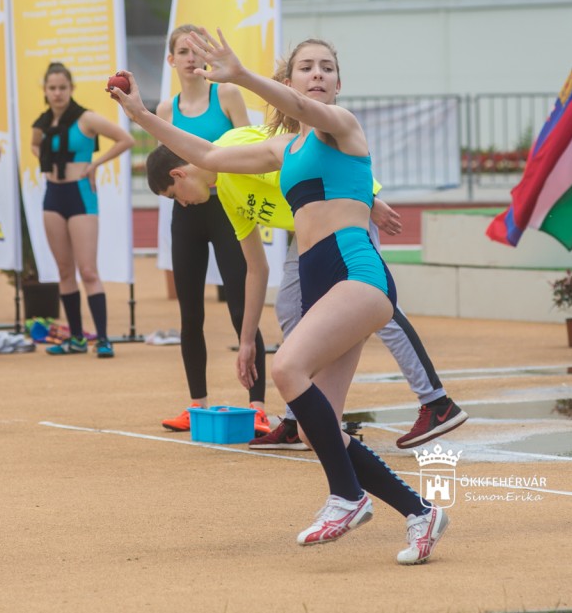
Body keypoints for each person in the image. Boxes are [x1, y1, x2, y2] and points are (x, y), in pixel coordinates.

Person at [109, 30, 449, 565]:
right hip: (319, 280)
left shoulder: (343, 126)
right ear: (290, 78)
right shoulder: (283, 149)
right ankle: (420, 512)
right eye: (307, 67)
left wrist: (242, 76)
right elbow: (206, 153)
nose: (318, 75)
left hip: (356, 271)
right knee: (318, 429)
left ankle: (347, 496)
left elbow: (300, 109)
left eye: (327, 68)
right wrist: (141, 116)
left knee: (288, 369)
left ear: (337, 84)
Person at [147, 131, 467, 451]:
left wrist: (368, 199)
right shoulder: (227, 194)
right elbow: (256, 268)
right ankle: (297, 418)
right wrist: (246, 341)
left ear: (179, 174)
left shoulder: (235, 151)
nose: (183, 204)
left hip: (346, 208)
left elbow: (309, 155)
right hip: (310, 230)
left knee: (377, 303)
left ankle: (436, 402)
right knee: (289, 306)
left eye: (175, 196)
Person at [153, 25, 270, 434]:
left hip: (228, 208)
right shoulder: (166, 110)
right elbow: (164, 166)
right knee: (190, 314)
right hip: (186, 213)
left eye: (196, 51)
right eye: (182, 52)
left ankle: (257, 407)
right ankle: (195, 404)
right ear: (171, 60)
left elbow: (254, 145)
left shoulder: (228, 96)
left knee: (241, 307)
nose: (190, 58)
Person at [30, 62, 134, 358]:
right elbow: (34, 145)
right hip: (53, 195)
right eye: (52, 88)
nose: (57, 93)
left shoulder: (86, 118)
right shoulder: (42, 122)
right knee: (64, 270)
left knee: (87, 270)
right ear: (45, 90)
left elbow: (125, 139)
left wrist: (94, 164)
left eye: (62, 87)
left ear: (71, 88)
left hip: (80, 194)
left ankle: (102, 339)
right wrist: (47, 160)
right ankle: (76, 338)